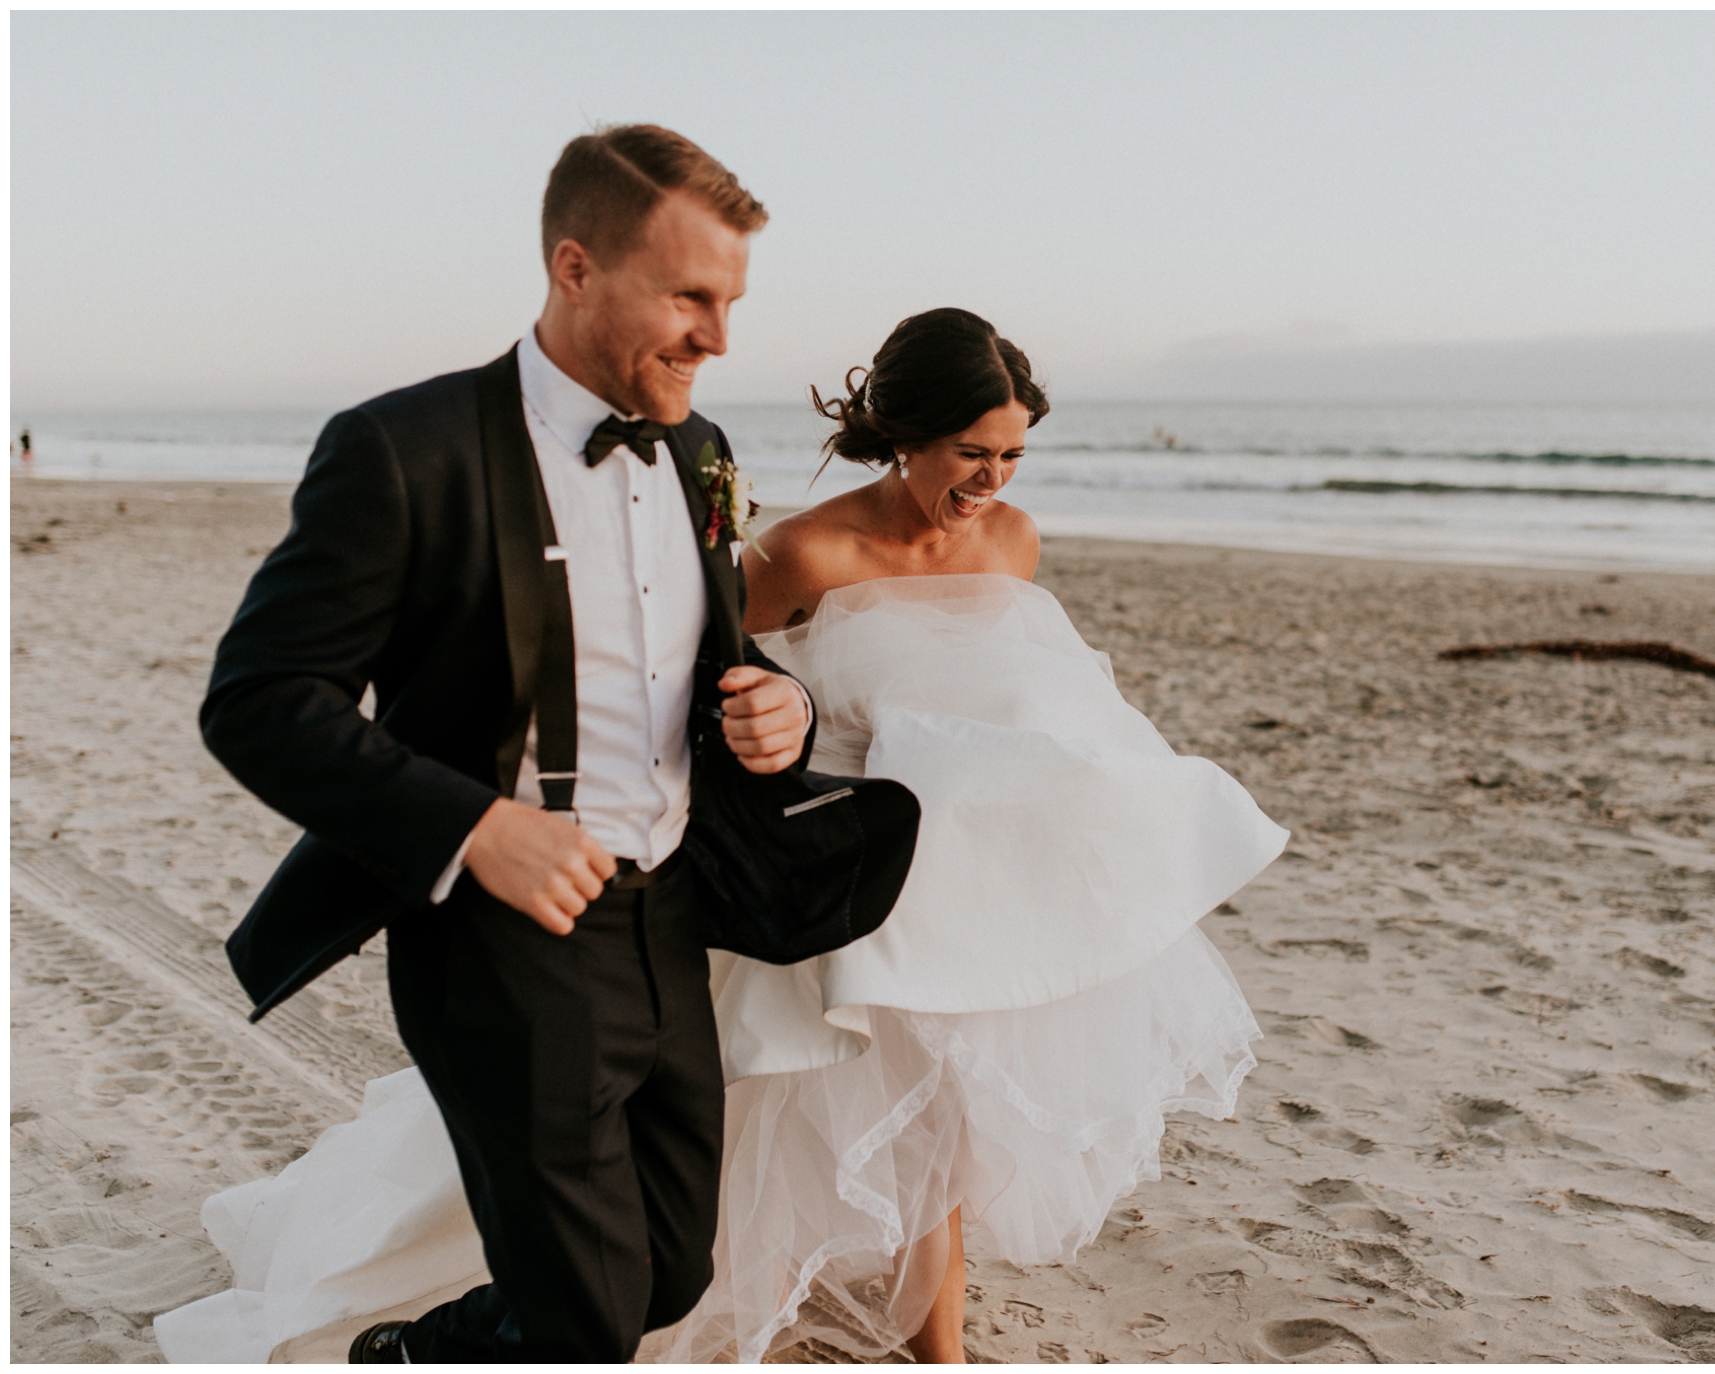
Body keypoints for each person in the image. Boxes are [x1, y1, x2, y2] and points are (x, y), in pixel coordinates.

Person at [156, 307, 1284, 1365]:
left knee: (946, 1114)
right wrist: (777, 710)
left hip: (965, 878)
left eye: (1010, 458)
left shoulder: (1014, 544)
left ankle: (933, 1349)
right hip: (836, 876)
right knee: (730, 1124)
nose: (988, 484)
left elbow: (1021, 701)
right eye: (967, 455)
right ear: (902, 438)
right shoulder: (804, 552)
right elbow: (693, 675)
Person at [167, 125, 816, 1364]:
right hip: (499, 941)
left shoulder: (701, 452)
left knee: (668, 1272)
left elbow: (707, 648)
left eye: (730, 302)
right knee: (583, 1321)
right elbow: (258, 699)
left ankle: (414, 1355)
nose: (718, 338)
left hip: (669, 911)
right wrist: (477, 827)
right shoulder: (402, 451)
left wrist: (771, 703)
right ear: (575, 269)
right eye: (689, 296)